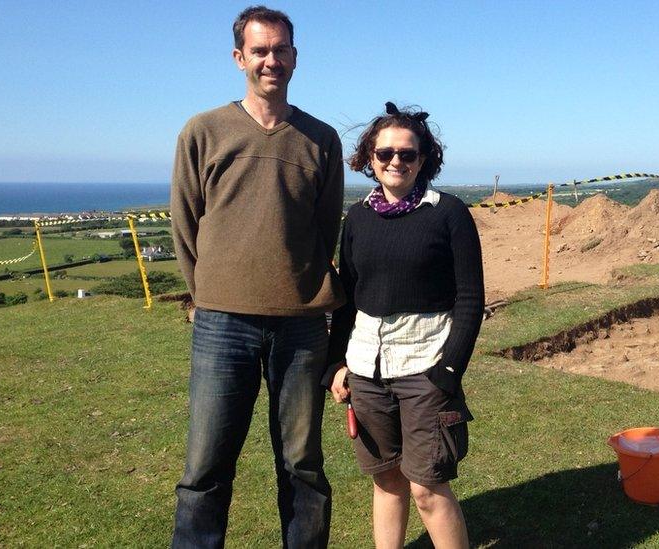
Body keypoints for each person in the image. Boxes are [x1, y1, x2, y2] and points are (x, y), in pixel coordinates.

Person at [169, 6, 344, 547]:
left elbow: (324, 231)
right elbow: (185, 223)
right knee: (206, 467)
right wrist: (207, 295)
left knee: (302, 466)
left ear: (295, 56)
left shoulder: (321, 139)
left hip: (301, 327)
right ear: (239, 57)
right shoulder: (204, 131)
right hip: (223, 325)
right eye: (261, 50)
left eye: (281, 49)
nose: (272, 60)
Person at [326, 102, 484, 548]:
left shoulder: (448, 213)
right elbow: (347, 299)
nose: (396, 161)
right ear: (369, 159)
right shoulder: (357, 218)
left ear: (424, 159)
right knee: (387, 481)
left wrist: (448, 373)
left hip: (426, 367)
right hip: (367, 371)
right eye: (385, 153)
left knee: (427, 488)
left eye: (408, 154)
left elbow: (470, 299)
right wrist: (336, 364)